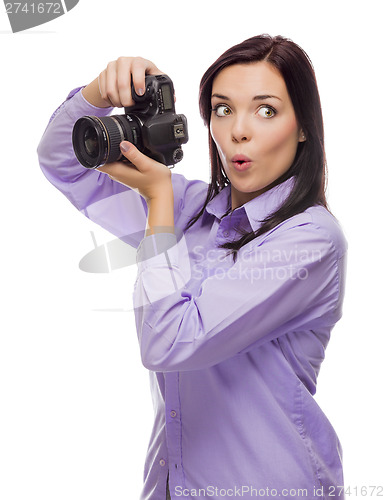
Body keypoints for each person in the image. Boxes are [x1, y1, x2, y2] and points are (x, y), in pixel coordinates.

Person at [37, 34, 347, 500]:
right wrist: (99, 92)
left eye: (266, 110)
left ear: (303, 126)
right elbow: (63, 162)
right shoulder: (191, 207)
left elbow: (169, 340)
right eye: (223, 109)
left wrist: (158, 201)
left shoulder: (312, 240)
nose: (239, 131)